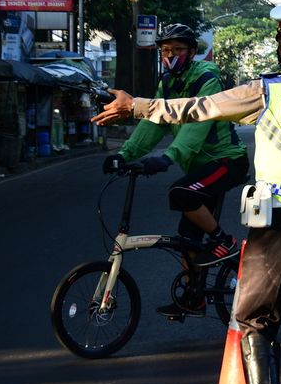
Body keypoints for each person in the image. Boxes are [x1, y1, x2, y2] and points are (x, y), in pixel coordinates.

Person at [92, 5, 281, 384]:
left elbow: (195, 109)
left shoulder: (267, 91)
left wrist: (134, 104)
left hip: (275, 221)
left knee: (254, 317)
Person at [103, 23, 250, 319]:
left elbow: (197, 124)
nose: (170, 55)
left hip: (226, 161)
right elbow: (153, 122)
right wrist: (125, 154)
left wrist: (168, 157)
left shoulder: (206, 77)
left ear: (192, 52)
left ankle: (225, 242)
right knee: (186, 239)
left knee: (181, 192)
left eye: (177, 49)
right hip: (201, 167)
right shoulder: (167, 83)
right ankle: (194, 297)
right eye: (165, 50)